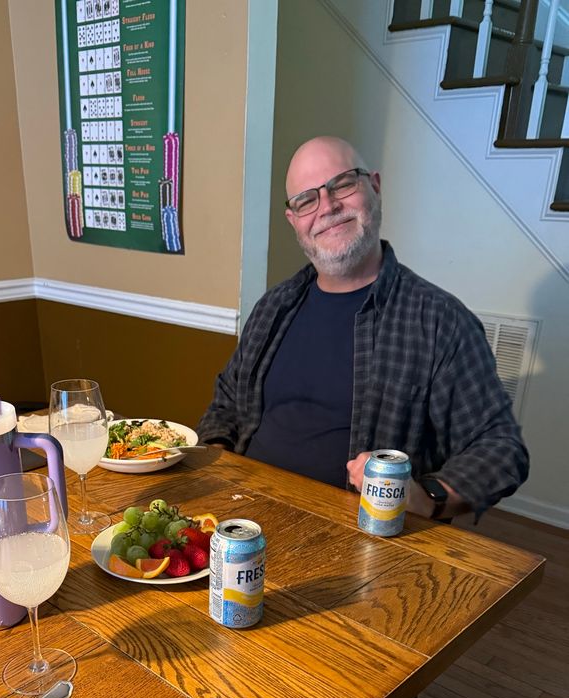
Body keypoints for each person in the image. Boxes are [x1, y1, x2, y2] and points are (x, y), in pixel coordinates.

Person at [197, 136, 529, 521]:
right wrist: (218, 470)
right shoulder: (274, 306)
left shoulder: (440, 321)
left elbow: (502, 449)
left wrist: (426, 495)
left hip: (356, 538)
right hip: (242, 519)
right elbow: (225, 405)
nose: (329, 207)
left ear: (374, 186)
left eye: (342, 184)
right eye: (307, 199)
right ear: (294, 220)